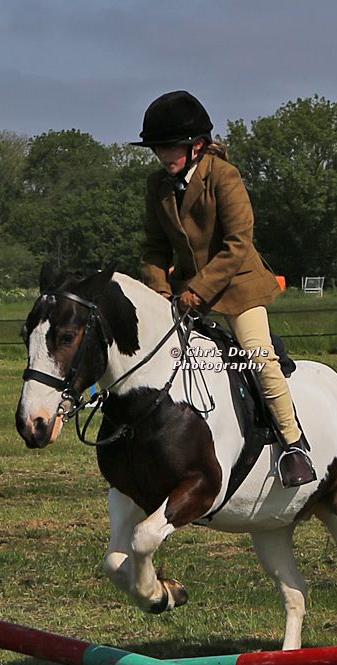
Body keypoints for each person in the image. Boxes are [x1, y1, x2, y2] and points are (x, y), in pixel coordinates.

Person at [132, 90, 316, 487]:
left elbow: (238, 244)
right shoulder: (157, 185)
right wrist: (159, 292)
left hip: (236, 283)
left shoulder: (223, 176)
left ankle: (293, 443)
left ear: (196, 145)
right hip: (184, 290)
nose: (162, 155)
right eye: (157, 148)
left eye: (170, 147)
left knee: (258, 356)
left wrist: (196, 292)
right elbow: (154, 248)